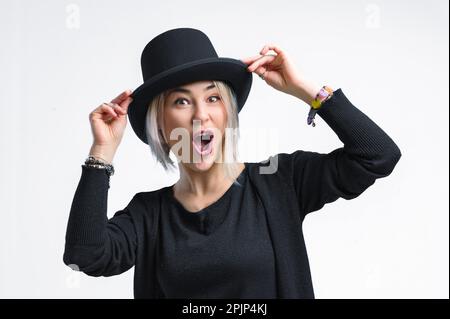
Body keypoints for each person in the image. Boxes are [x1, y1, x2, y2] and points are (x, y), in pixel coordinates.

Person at [63, 28, 402, 299]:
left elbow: (377, 156)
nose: (201, 115)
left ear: (228, 113)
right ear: (161, 126)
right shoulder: (148, 215)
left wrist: (306, 90)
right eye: (182, 101)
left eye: (213, 98)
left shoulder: (279, 182)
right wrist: (101, 152)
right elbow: (85, 256)